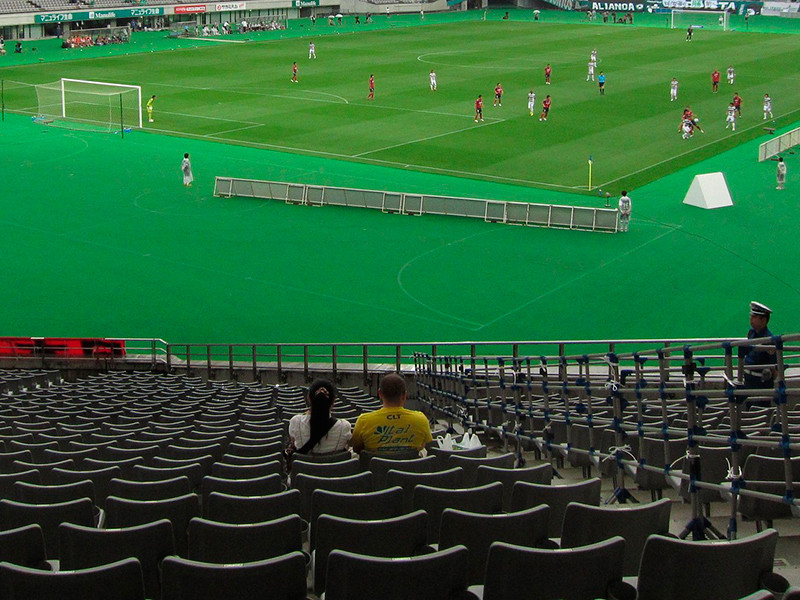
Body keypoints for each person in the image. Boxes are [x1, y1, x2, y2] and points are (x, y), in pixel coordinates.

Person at [350, 373, 432, 454]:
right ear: (404, 395)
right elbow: (426, 444)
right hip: (411, 463)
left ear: (380, 393)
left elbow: (356, 449)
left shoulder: (364, 421)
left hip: (374, 463)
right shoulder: (421, 420)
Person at [287, 379, 352, 456]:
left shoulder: (296, 421)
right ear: (333, 401)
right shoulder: (344, 426)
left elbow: (293, 443)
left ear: (308, 398)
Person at [739, 301, 776, 405]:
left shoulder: (769, 339)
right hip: (748, 379)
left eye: (754, 317)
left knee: (760, 407)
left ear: (763, 320)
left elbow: (774, 364)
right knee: (749, 407)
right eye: (751, 316)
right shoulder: (751, 332)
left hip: (761, 382)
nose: (751, 319)